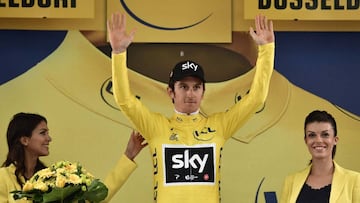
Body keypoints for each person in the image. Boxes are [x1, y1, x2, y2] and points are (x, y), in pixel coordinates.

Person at [107, 12, 275, 203]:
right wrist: (119, 53)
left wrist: (266, 50)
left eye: (196, 87)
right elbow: (125, 100)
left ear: (203, 92)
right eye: (183, 87)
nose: (190, 94)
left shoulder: (220, 125)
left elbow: (256, 99)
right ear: (171, 92)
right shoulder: (154, 127)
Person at [0, 112, 147, 203]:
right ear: (24, 140)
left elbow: (95, 198)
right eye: (43, 133)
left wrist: (129, 155)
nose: (49, 138)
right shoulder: (4, 178)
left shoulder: (54, 179)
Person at [280, 110, 360, 203]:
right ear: (306, 140)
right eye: (312, 135)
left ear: (335, 140)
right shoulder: (290, 182)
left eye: (325, 134)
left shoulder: (355, 181)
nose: (318, 140)